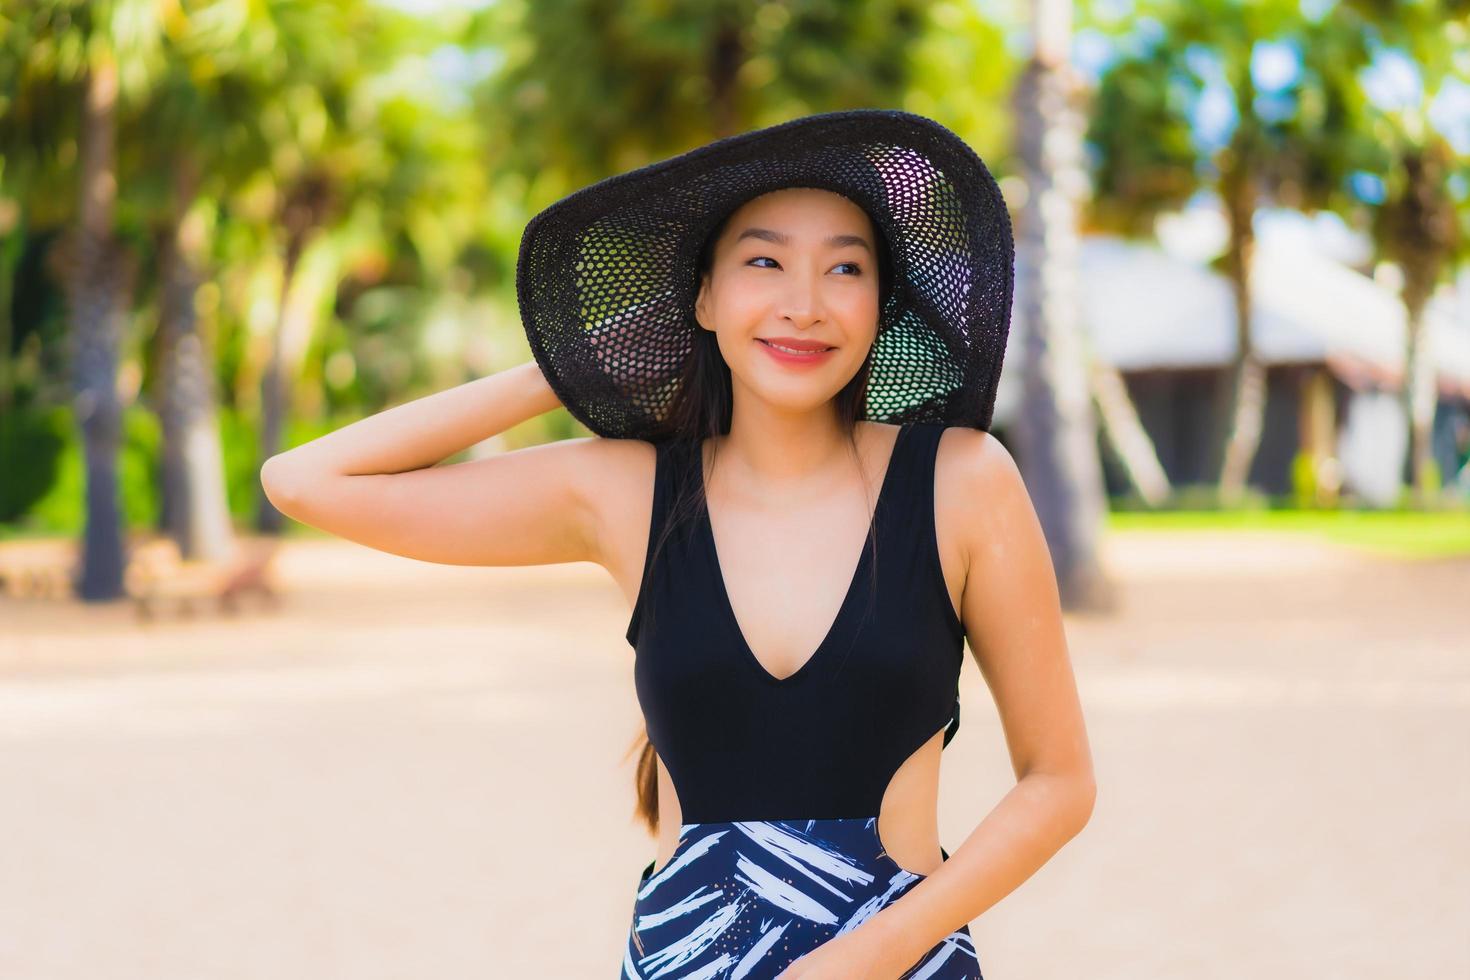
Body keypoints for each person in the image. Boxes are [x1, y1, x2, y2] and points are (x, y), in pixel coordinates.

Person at [261, 110, 1095, 980]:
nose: (803, 305)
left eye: (844, 267)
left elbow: (1060, 782)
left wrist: (871, 955)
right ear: (701, 296)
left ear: (881, 306)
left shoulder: (960, 481)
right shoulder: (627, 493)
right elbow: (306, 482)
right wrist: (580, 360)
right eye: (762, 263)